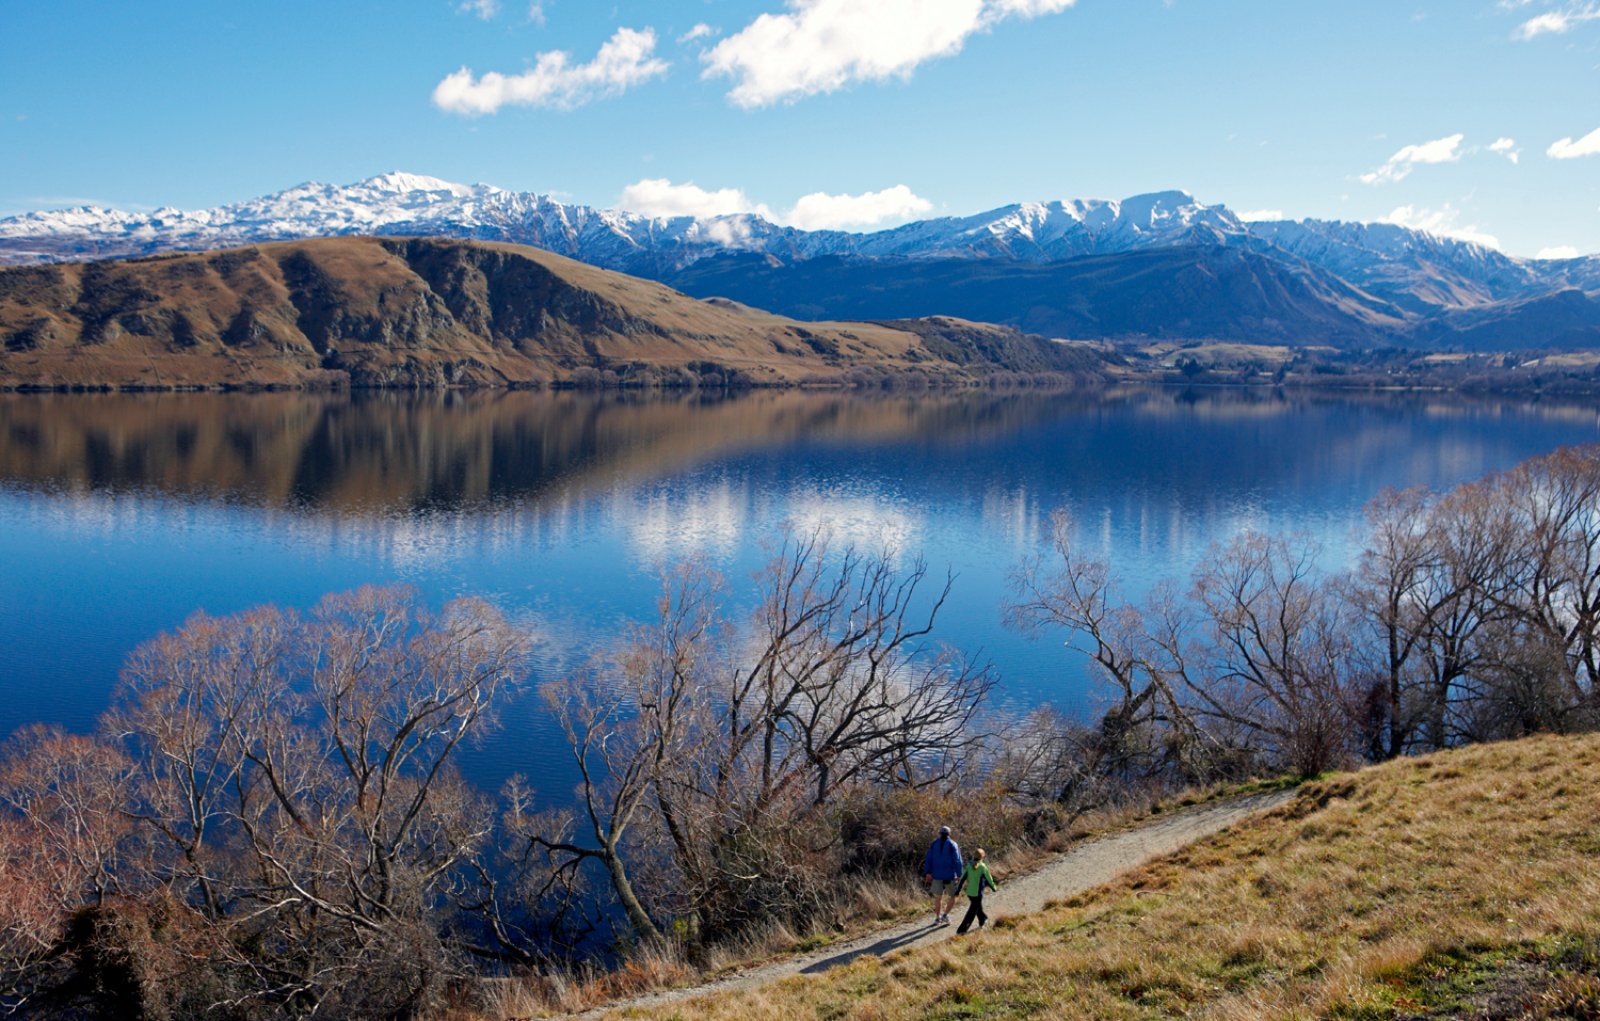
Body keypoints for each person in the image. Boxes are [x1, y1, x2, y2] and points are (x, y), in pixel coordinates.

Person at [921, 824, 964, 925]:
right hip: (949, 875)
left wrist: (928, 872)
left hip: (937, 875)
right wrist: (959, 874)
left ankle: (937, 918)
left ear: (940, 834)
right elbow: (958, 861)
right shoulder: (953, 844)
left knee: (938, 898)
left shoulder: (934, 844)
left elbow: (929, 859)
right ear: (949, 834)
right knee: (953, 896)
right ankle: (945, 915)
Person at [955, 847, 998, 934]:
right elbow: (989, 879)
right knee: (971, 912)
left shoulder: (968, 866)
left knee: (977, 907)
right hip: (978, 893)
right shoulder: (982, 867)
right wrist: (994, 887)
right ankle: (961, 930)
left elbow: (962, 878)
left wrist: (958, 890)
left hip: (970, 893)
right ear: (982, 857)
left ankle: (983, 920)